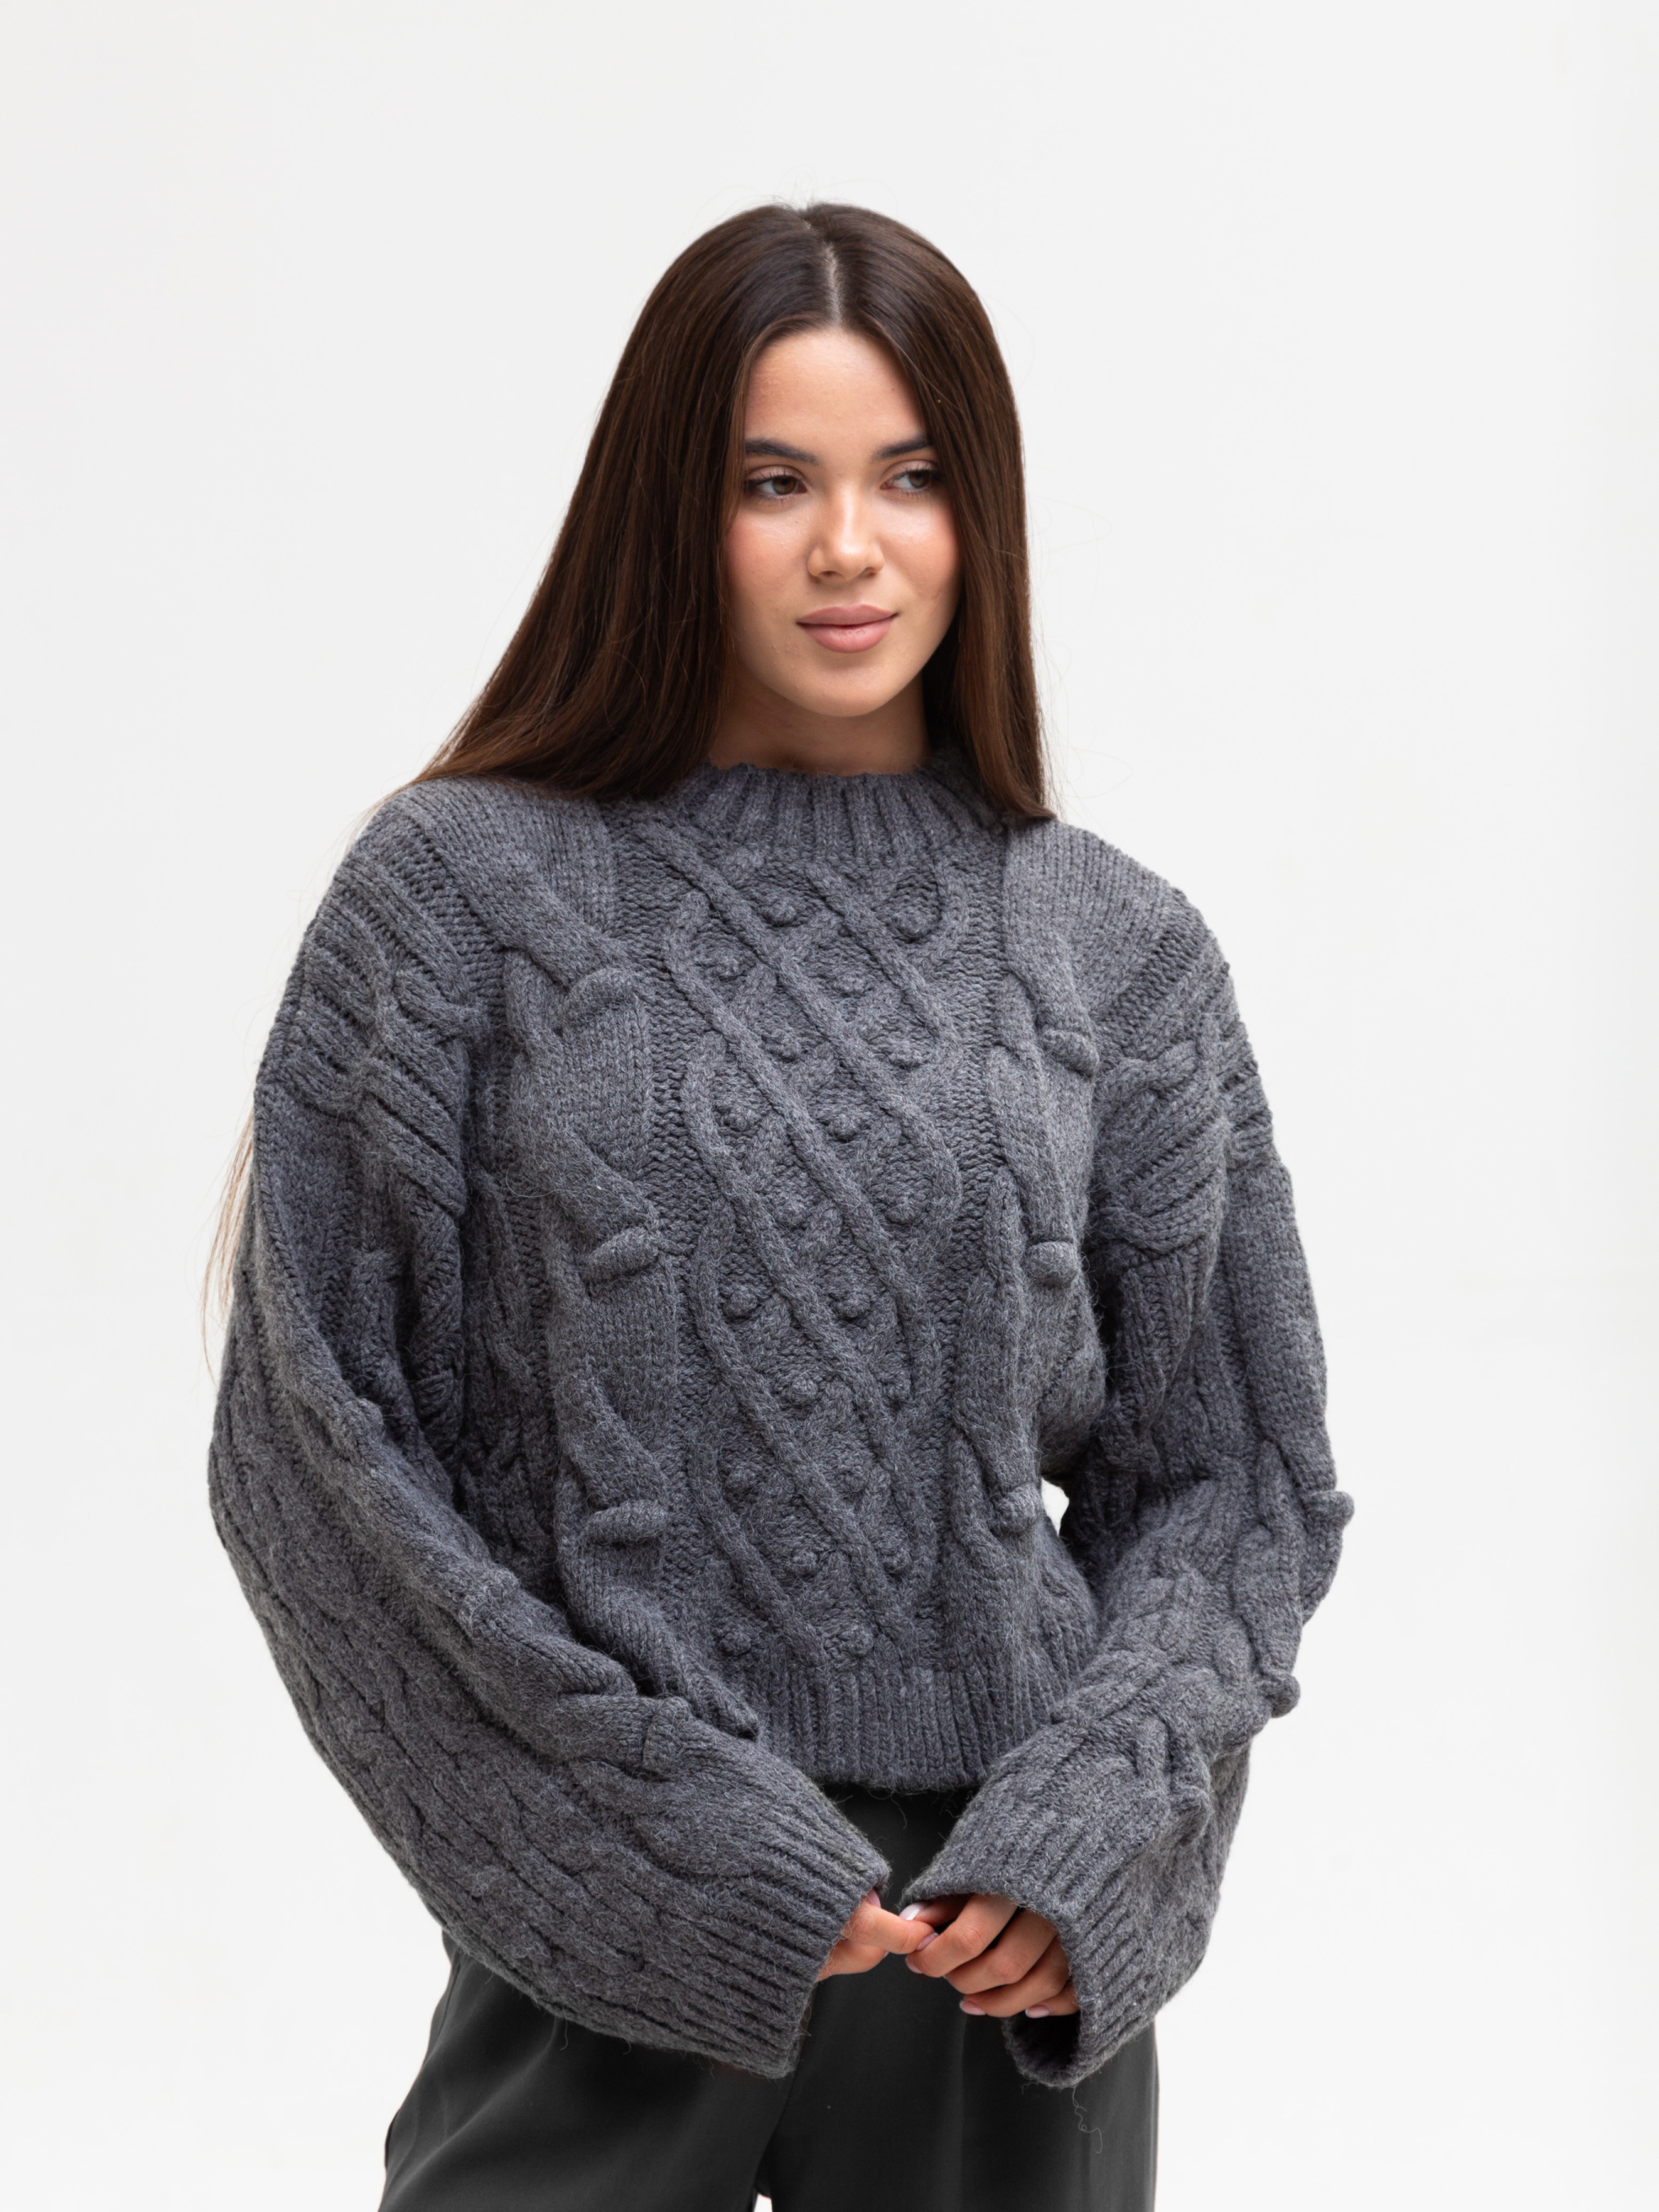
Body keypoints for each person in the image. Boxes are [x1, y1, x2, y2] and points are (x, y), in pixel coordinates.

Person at [207, 202, 1351, 2212]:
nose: (847, 545)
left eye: (908, 477)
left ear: (978, 515)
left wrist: (1092, 1839)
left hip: (998, 1951)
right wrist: (649, 1848)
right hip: (598, 1939)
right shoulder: (458, 899)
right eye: (771, 483)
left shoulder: (1115, 949)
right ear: (670, 506)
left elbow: (1231, 1480)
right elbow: (311, 1450)